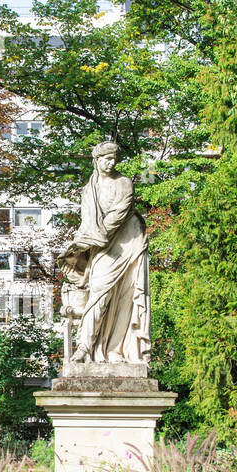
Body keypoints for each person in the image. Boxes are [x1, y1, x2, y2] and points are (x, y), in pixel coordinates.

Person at [58, 141, 150, 365]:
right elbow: (87, 222)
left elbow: (116, 218)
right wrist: (76, 246)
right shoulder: (89, 188)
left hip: (128, 242)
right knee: (99, 293)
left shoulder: (124, 183)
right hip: (103, 246)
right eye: (106, 159)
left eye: (114, 159)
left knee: (126, 298)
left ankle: (115, 350)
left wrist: (87, 240)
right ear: (96, 161)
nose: (111, 163)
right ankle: (84, 347)